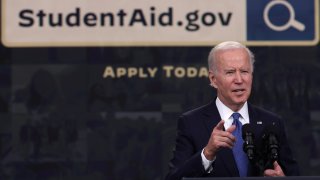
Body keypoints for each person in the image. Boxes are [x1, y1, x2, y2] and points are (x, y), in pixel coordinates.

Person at [166, 41, 299, 179]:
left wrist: (284, 178)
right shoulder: (192, 123)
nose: (239, 79)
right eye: (230, 72)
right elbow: (174, 178)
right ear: (213, 79)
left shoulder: (271, 123)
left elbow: (293, 174)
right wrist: (208, 153)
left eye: (244, 71)